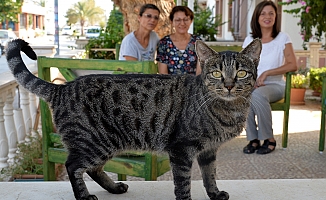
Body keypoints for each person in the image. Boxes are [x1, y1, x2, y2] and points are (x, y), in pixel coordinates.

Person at [242, 0, 297, 154]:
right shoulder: (249, 40)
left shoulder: (282, 38)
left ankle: (269, 139)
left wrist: (267, 73)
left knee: (258, 96)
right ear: (257, 17)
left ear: (275, 16)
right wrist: (251, 82)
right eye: (263, 13)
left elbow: (293, 65)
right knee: (245, 95)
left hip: (276, 85)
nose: (267, 16)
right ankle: (253, 140)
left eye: (271, 13)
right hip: (254, 85)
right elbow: (244, 66)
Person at [156, 6, 202, 75]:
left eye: (186, 19)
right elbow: (163, 74)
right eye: (178, 20)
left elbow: (199, 73)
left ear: (191, 21)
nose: (182, 23)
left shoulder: (197, 42)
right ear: (172, 22)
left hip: (193, 84)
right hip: (171, 84)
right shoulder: (164, 43)